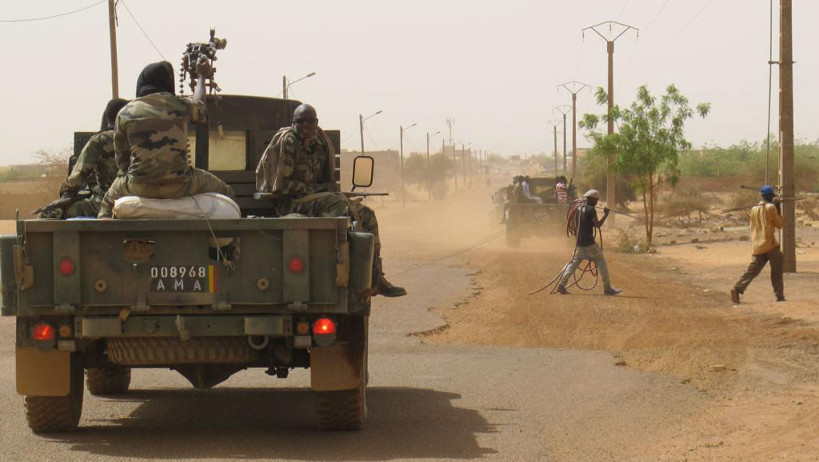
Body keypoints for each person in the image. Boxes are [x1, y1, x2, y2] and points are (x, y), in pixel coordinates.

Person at [255, 103, 406, 297]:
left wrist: (329, 190)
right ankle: (332, 266)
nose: (307, 126)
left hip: (319, 200)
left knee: (367, 215)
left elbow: (326, 181)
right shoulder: (289, 143)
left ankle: (376, 277)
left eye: (311, 121)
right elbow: (281, 187)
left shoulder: (321, 143)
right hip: (292, 203)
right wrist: (319, 189)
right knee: (338, 205)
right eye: (301, 122)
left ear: (317, 122)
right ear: (294, 123)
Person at [98, 60, 232, 218]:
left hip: (138, 186)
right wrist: (202, 76)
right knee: (226, 192)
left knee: (106, 206)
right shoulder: (181, 106)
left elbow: (122, 161)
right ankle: (231, 241)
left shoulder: (125, 112)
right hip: (182, 185)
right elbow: (200, 103)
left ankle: (106, 241)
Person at [39, 98, 129, 218]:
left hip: (106, 203)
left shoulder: (100, 140)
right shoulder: (140, 139)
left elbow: (76, 178)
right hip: (141, 200)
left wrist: (65, 194)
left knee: (47, 215)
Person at [556, 189, 622, 295]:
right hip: (589, 244)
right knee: (601, 261)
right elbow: (598, 225)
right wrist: (605, 215)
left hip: (579, 243)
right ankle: (608, 288)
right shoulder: (591, 209)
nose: (596, 203)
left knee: (573, 264)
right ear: (592, 199)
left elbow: (575, 225)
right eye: (596, 200)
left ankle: (561, 285)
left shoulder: (578, 208)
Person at [730, 185, 785, 303]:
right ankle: (779, 296)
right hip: (770, 245)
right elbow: (779, 224)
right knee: (776, 271)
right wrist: (778, 209)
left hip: (757, 246)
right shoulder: (771, 208)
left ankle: (737, 288)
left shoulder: (754, 209)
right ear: (771, 197)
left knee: (752, 271)